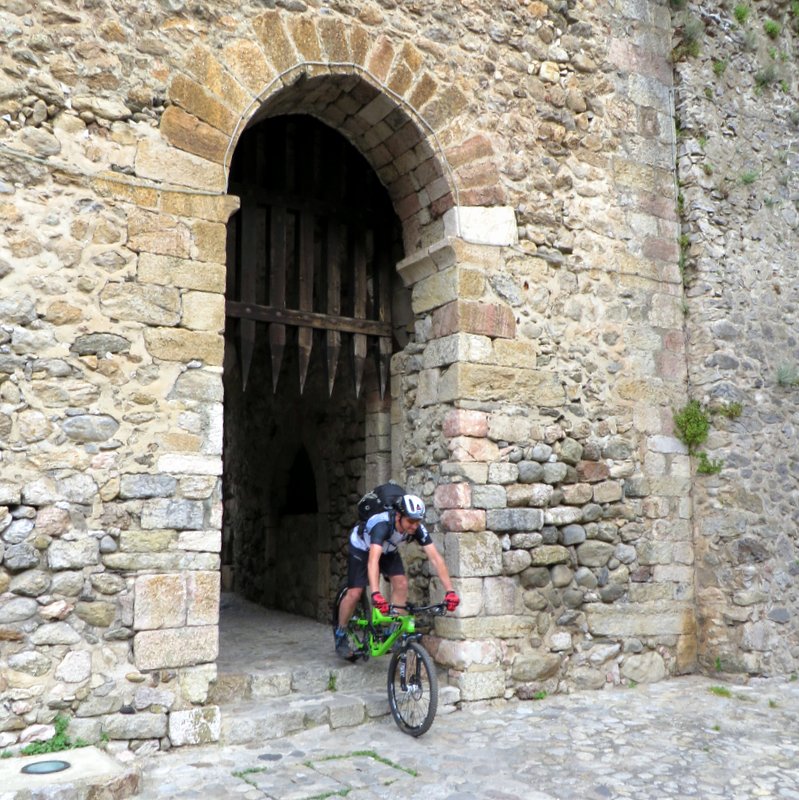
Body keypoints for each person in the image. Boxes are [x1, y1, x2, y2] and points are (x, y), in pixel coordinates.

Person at [334, 493, 460, 659]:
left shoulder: (416, 528)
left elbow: (436, 558)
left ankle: (392, 632)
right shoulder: (382, 525)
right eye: (410, 521)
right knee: (355, 592)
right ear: (399, 516)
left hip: (388, 549)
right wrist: (376, 594)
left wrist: (450, 591)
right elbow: (373, 561)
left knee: (401, 584)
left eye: (418, 521)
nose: (414, 526)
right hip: (363, 547)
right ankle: (341, 632)